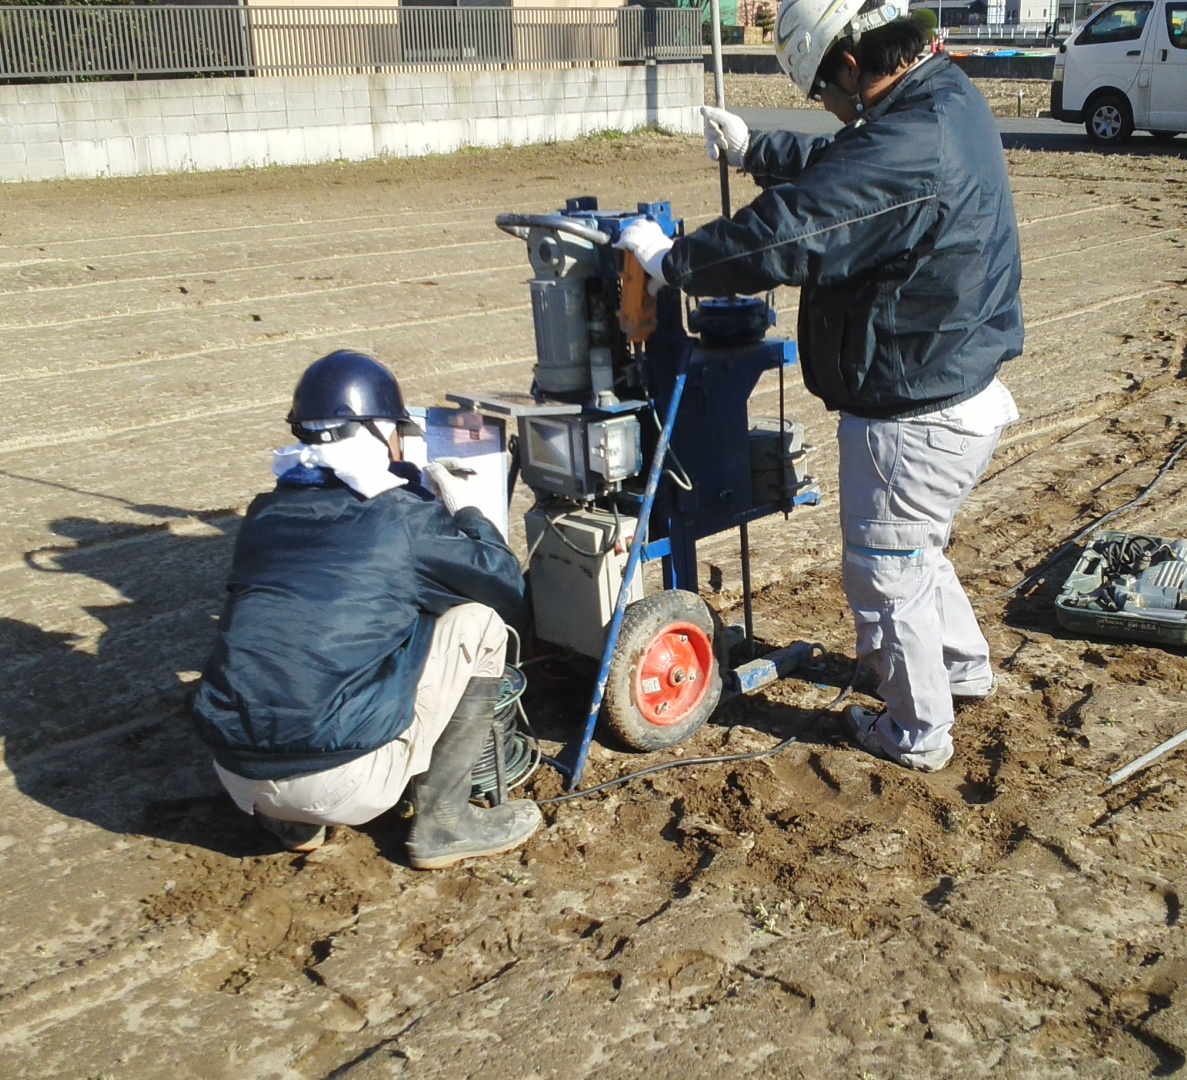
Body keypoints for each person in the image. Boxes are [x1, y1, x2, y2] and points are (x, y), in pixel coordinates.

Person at [616, 0, 1022, 773]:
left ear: (848, 63)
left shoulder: (910, 139)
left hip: (915, 409)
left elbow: (797, 229)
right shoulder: (941, 96)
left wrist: (677, 263)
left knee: (887, 572)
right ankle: (961, 668)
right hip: (952, 381)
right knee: (918, 549)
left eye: (822, 93)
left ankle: (915, 730)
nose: (829, 109)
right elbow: (854, 168)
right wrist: (755, 148)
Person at [189, 350, 540, 867]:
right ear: (380, 434)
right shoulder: (398, 518)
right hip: (345, 784)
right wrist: (463, 505)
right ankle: (445, 824)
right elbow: (504, 586)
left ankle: (292, 821)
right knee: (478, 623)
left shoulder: (264, 514)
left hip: (236, 774)